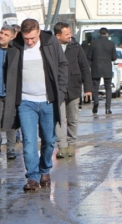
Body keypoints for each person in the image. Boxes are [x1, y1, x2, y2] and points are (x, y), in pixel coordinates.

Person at [9, 19, 68, 191]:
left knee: (49, 140)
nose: (29, 42)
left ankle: (45, 169)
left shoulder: (51, 43)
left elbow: (63, 65)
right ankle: (32, 177)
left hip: (48, 100)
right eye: (26, 38)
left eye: (33, 38)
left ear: (39, 31)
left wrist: (61, 91)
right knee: (29, 141)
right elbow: (9, 71)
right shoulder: (16, 46)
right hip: (26, 102)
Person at [53, 22, 92, 159]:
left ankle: (71, 145)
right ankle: (62, 147)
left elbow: (84, 67)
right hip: (57, 89)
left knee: (73, 118)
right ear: (58, 36)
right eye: (67, 34)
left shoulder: (76, 47)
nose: (70, 36)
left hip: (74, 87)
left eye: (70, 33)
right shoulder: (50, 47)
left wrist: (88, 88)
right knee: (59, 119)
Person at [88, 28, 117, 115]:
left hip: (96, 67)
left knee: (95, 87)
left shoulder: (93, 43)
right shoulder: (111, 44)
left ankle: (96, 102)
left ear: (99, 34)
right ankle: (108, 108)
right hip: (107, 68)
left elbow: (89, 56)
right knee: (108, 88)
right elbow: (114, 58)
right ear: (107, 34)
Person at [0, 24, 17, 160]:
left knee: (11, 121)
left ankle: (11, 148)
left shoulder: (16, 51)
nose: (2, 36)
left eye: (6, 34)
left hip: (11, 92)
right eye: (1, 33)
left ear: (12, 37)